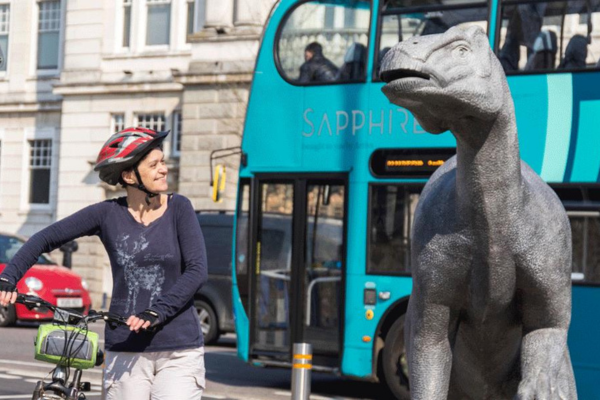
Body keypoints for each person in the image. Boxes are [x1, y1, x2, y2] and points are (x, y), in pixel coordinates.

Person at [0, 127, 208, 400]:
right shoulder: (107, 213)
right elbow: (45, 238)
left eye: (163, 162)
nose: (164, 170)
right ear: (129, 175)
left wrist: (156, 312)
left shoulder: (179, 208)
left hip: (178, 348)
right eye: (154, 164)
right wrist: (8, 278)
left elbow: (197, 270)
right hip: (125, 346)